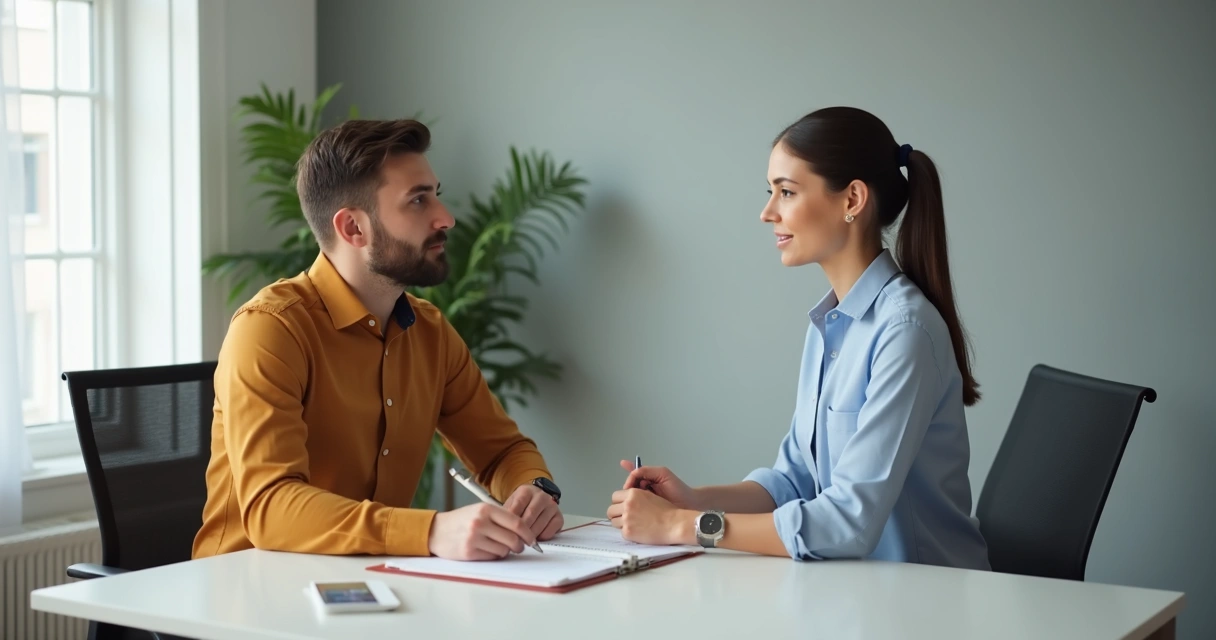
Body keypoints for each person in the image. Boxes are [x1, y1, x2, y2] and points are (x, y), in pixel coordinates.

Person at [608, 107, 990, 569]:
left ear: (852, 200)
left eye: (786, 192)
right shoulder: (831, 324)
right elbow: (794, 481)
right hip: (855, 593)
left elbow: (848, 522)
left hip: (924, 602)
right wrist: (688, 501)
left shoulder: (904, 332)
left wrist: (679, 526)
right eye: (771, 192)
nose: (768, 212)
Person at [193, 119, 564, 561]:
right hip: (245, 604)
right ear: (353, 228)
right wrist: (429, 532)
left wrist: (533, 488)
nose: (446, 218)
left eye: (436, 195)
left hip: (374, 588)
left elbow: (502, 451)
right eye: (418, 201)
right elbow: (271, 506)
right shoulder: (271, 329)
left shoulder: (430, 332)